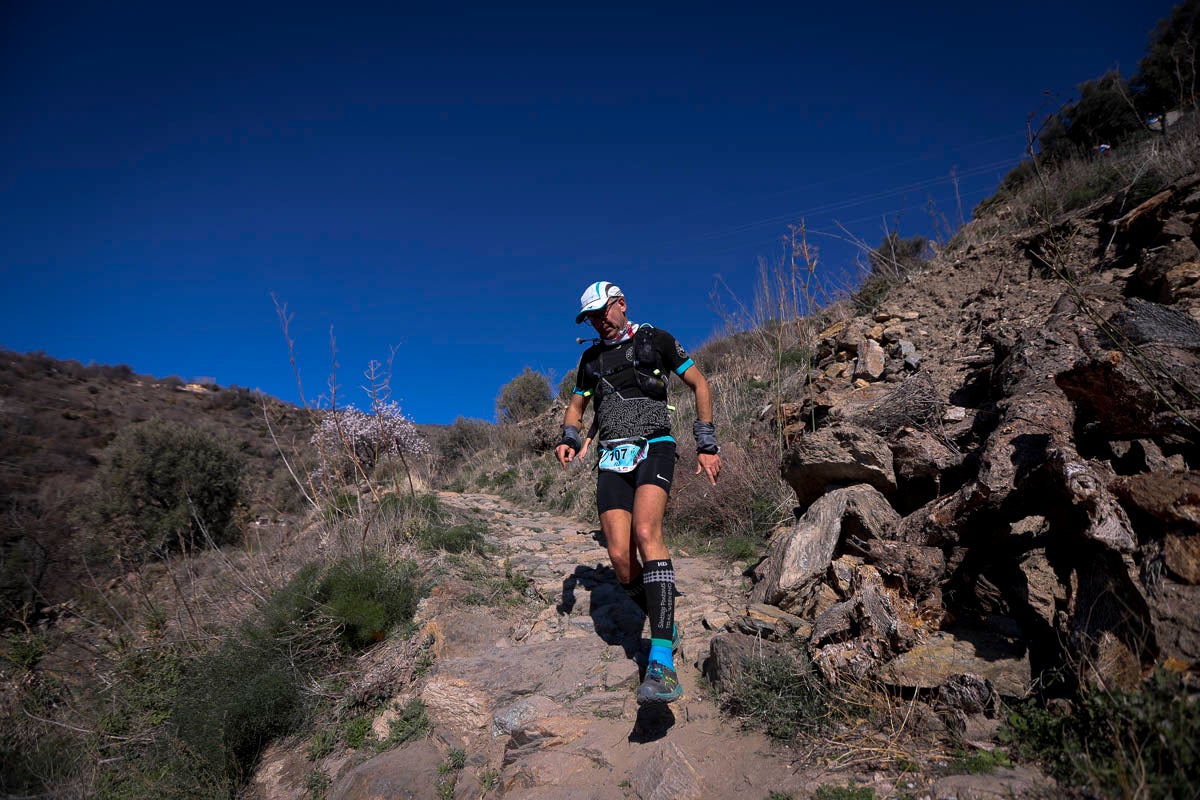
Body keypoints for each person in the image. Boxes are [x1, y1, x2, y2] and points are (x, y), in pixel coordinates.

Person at [555, 281, 721, 705]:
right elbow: (577, 404)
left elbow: (700, 384)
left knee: (647, 534)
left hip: (655, 446)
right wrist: (570, 437)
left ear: (621, 304)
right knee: (620, 560)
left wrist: (706, 443)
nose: (598, 322)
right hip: (611, 455)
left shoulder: (655, 340)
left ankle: (661, 660)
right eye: (591, 317)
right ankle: (663, 618)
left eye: (602, 312)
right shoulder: (590, 359)